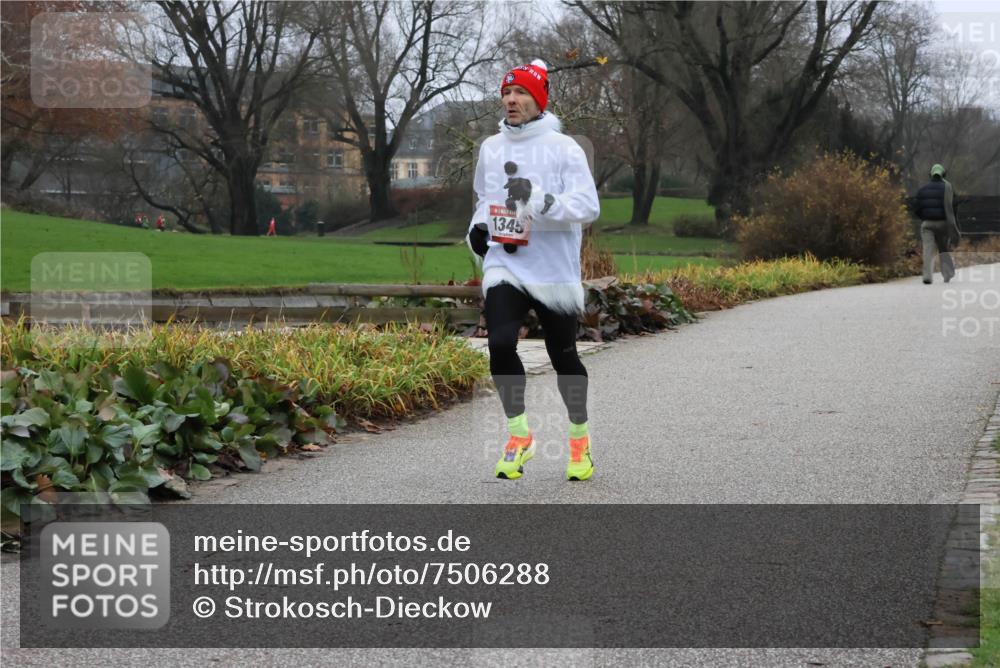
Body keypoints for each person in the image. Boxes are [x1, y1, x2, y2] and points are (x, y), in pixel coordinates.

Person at [466, 59, 600, 481]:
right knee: (501, 343)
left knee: (564, 357)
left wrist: (538, 200)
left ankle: (579, 441)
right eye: (506, 92)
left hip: (552, 268)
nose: (511, 99)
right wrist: (477, 230)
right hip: (506, 263)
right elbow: (485, 202)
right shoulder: (491, 148)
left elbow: (588, 207)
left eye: (521, 92)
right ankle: (519, 435)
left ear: (539, 100)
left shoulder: (565, 149)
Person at [913, 164, 961, 284]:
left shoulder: (922, 190)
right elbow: (952, 207)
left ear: (931, 175)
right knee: (943, 249)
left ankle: (927, 277)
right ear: (943, 174)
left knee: (927, 250)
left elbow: (916, 209)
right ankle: (947, 273)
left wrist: (925, 218)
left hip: (927, 225)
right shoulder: (947, 187)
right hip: (943, 224)